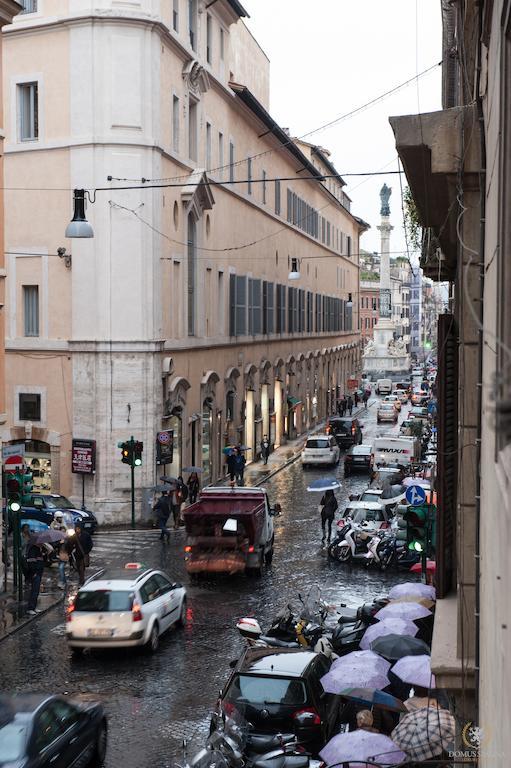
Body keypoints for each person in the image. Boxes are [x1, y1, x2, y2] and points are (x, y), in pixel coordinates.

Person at [25, 538, 44, 615]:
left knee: (36, 591)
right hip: (35, 573)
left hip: (38, 572)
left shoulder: (39, 550)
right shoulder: (33, 549)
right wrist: (34, 573)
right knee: (34, 591)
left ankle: (34, 607)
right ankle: (30, 608)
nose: (43, 543)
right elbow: (31, 562)